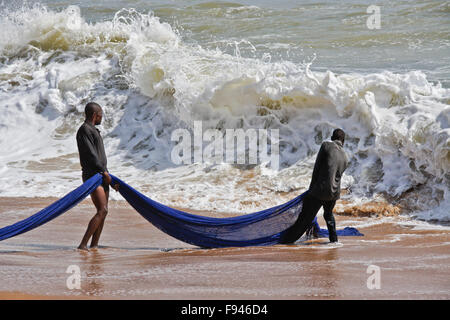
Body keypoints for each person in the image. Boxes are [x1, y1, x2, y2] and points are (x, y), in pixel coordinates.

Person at [281, 128, 349, 244]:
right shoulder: (346, 157)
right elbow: (337, 176)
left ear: (332, 138)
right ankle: (334, 241)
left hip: (319, 191)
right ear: (343, 141)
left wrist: (311, 190)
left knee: (305, 218)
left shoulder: (326, 146)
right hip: (334, 194)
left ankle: (288, 240)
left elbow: (316, 169)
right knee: (328, 216)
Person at [76, 102, 118, 251]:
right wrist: (103, 171)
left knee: (104, 211)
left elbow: (99, 156)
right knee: (102, 210)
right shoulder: (84, 130)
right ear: (95, 115)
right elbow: (91, 155)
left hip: (101, 174)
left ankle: (94, 245)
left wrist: (111, 180)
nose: (102, 117)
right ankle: (83, 244)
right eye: (100, 115)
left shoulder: (94, 130)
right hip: (92, 175)